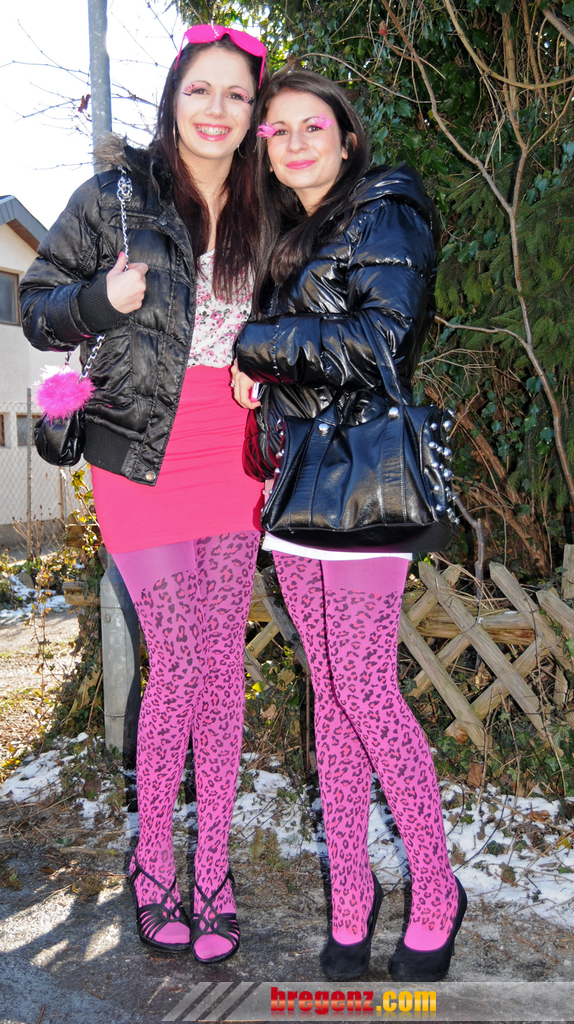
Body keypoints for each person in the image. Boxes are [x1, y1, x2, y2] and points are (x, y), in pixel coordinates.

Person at [20, 26, 267, 964]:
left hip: (235, 453)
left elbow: (296, 317)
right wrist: (100, 303)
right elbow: (37, 303)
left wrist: (272, 368)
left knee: (221, 665)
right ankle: (155, 858)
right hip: (136, 452)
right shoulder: (115, 198)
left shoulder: (270, 206)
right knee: (181, 660)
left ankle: (215, 871)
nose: (216, 109)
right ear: (172, 99)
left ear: (253, 112)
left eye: (236, 94)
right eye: (200, 90)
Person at [233, 69, 467, 983]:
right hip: (299, 487)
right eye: (278, 131)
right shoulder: (288, 234)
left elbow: (379, 344)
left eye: (312, 126)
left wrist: (258, 347)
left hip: (366, 481)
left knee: (365, 689)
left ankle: (437, 891)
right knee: (329, 697)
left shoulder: (386, 209)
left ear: (346, 136)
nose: (294, 143)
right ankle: (351, 897)